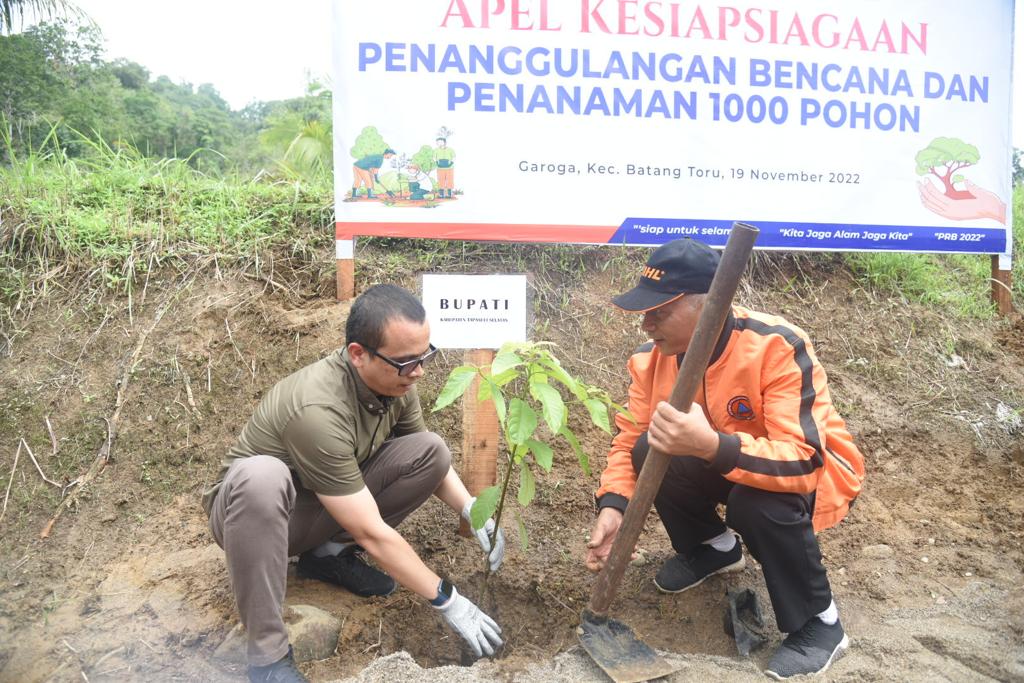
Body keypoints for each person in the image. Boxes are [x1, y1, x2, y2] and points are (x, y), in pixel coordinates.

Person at [584, 238, 865, 680]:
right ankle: (713, 548)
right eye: (644, 312)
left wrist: (712, 445)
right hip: (727, 466)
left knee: (757, 504)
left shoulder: (776, 345)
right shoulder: (650, 360)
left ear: (708, 306)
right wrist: (614, 505)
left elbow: (804, 461)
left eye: (660, 312)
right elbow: (630, 439)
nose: (646, 325)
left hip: (808, 479)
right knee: (649, 448)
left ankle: (821, 623)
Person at [202, 284, 505, 683]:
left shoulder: (396, 382)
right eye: (406, 362)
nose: (419, 371)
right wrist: (446, 599)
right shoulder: (318, 409)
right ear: (358, 354)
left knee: (430, 450)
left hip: (323, 504)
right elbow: (370, 530)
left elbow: (426, 458)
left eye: (425, 355)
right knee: (262, 476)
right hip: (258, 518)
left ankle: (327, 557)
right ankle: (268, 659)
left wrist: (471, 508)